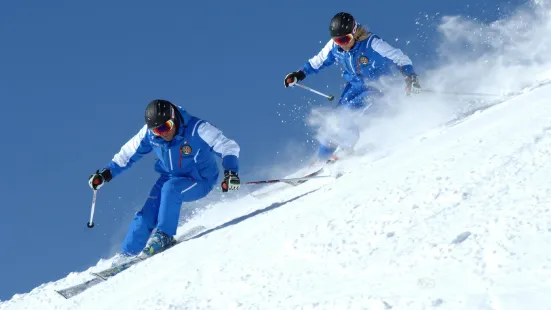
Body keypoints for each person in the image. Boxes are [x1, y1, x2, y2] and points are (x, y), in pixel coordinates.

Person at [88, 99, 241, 259]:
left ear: (173, 118)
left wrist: (231, 172)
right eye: (157, 130)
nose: (163, 133)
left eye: (165, 127)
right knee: (147, 214)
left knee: (171, 189)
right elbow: (127, 154)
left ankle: (164, 236)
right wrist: (105, 174)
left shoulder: (198, 129)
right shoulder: (150, 134)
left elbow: (228, 146)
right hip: (169, 177)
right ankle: (127, 255)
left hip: (200, 179)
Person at [284, 12, 422, 162]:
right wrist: (299, 74)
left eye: (345, 39)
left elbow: (400, 58)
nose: (342, 44)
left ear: (354, 32)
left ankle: (344, 151)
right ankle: (322, 158)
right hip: (354, 86)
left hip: (378, 88)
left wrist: (411, 77)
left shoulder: (372, 44)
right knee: (335, 120)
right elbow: (317, 61)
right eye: (338, 40)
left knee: (350, 116)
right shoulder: (334, 47)